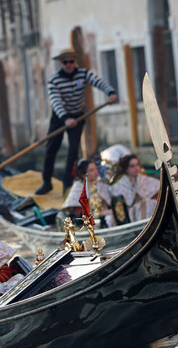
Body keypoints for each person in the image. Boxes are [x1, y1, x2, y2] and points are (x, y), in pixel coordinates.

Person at [37, 48, 117, 196]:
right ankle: (46, 182)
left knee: (73, 152)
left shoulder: (84, 74)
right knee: (51, 150)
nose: (68, 64)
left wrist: (110, 92)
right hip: (60, 118)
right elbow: (55, 101)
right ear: (60, 64)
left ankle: (67, 187)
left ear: (74, 61)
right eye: (65, 62)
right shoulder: (54, 80)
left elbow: (99, 82)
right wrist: (65, 118)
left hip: (78, 116)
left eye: (71, 61)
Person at [62, 158, 114, 228]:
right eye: (91, 170)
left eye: (96, 169)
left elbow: (109, 203)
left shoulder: (100, 184)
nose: (96, 172)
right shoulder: (78, 187)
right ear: (84, 174)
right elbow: (76, 210)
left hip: (104, 214)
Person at [111, 154, 160, 222]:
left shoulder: (145, 180)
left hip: (147, 213)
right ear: (126, 169)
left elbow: (159, 186)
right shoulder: (119, 185)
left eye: (137, 165)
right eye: (132, 166)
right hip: (128, 216)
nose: (136, 168)